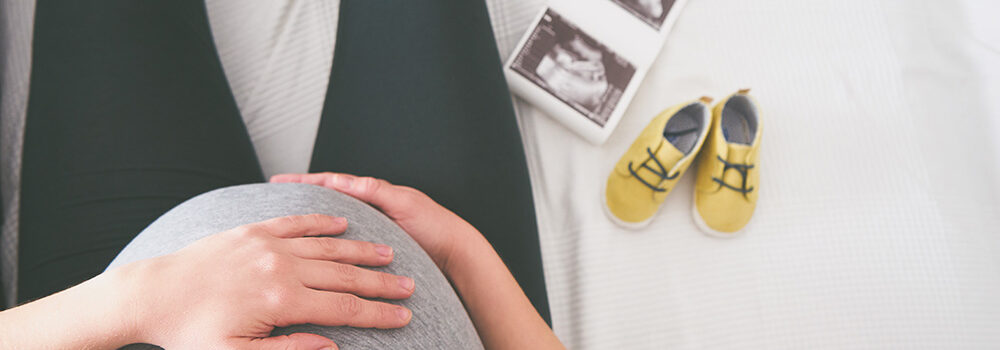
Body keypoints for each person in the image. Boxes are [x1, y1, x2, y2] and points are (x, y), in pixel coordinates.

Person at [0, 0, 561, 348]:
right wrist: (462, 254)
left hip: (111, 301)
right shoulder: (454, 254)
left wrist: (139, 298)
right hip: (442, 278)